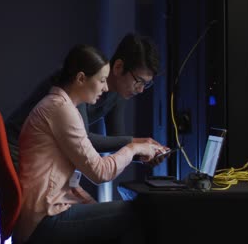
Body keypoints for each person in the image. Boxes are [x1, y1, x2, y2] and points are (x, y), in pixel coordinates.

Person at [14, 44, 165, 244]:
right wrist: (134, 147)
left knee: (116, 219)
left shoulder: (58, 105)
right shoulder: (62, 110)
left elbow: (68, 181)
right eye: (102, 80)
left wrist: (92, 206)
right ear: (81, 79)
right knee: (135, 212)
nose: (105, 87)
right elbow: (100, 173)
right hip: (44, 220)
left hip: (41, 214)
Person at [5, 33, 164, 175]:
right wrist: (135, 143)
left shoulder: (119, 94)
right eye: (139, 81)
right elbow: (84, 139)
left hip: (43, 156)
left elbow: (116, 141)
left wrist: (144, 153)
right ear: (118, 67)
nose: (142, 90)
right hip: (18, 148)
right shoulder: (80, 81)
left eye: (147, 84)